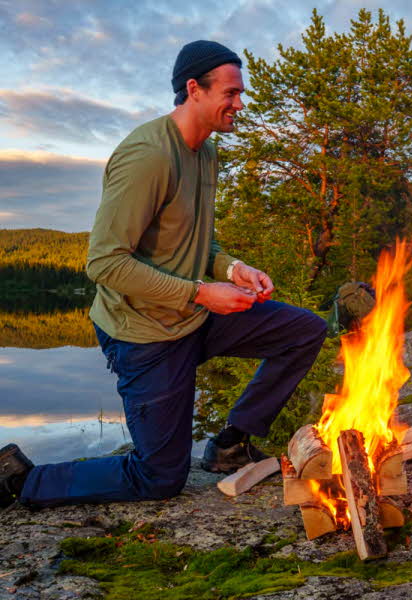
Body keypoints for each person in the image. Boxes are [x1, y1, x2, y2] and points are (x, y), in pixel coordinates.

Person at [0, 40, 327, 509]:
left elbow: (197, 243)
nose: (240, 103)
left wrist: (233, 268)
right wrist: (201, 293)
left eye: (241, 93)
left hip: (192, 316)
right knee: (159, 477)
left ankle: (231, 444)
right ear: (194, 89)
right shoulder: (148, 156)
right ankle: (20, 482)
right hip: (145, 334)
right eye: (231, 93)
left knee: (303, 331)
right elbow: (105, 262)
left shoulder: (206, 154)